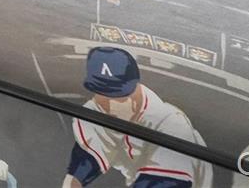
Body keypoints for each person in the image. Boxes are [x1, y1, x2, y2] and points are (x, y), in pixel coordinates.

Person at [61, 47, 205, 188]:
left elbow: (162, 182)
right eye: (103, 96)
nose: (110, 106)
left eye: (118, 96)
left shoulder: (170, 123)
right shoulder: (95, 110)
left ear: (135, 89)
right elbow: (85, 161)